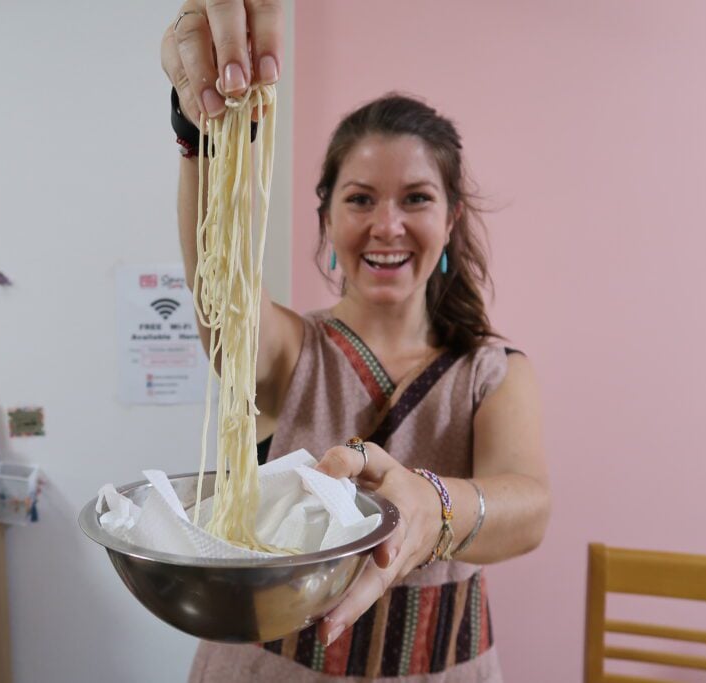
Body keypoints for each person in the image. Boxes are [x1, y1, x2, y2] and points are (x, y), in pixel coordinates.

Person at [162, 2, 552, 680]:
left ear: (453, 216)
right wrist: (203, 132)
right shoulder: (292, 350)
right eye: (361, 198)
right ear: (327, 217)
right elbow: (224, 294)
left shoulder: (490, 373)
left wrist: (434, 505)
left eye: (417, 199)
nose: (388, 225)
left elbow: (530, 507)